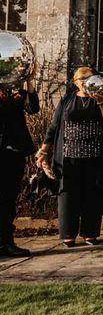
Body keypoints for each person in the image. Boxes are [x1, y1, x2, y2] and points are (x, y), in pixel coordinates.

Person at [37, 66, 103, 247]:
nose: (85, 82)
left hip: (94, 155)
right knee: (67, 195)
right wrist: (43, 151)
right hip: (67, 156)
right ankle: (68, 235)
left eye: (89, 78)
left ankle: (90, 233)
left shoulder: (101, 98)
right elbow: (54, 127)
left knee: (92, 194)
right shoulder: (67, 100)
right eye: (82, 79)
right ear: (76, 83)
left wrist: (102, 102)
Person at [0, 65, 39, 257]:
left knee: (9, 198)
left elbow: (33, 108)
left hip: (14, 152)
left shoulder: (18, 91)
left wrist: (29, 83)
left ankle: (6, 241)